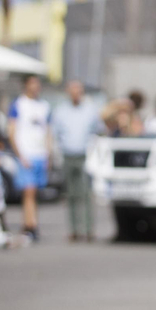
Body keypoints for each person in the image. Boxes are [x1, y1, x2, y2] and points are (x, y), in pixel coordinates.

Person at [51, 80, 104, 242]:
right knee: (71, 194)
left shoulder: (90, 110)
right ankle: (74, 229)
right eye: (73, 90)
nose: (76, 93)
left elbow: (99, 130)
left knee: (86, 193)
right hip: (68, 155)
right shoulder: (61, 111)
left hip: (84, 155)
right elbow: (55, 134)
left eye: (78, 90)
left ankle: (88, 230)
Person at [6, 74, 52, 241]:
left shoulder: (44, 106)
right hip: (26, 154)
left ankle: (32, 223)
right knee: (29, 191)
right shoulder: (18, 105)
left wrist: (48, 154)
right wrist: (20, 155)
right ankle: (30, 226)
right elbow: (11, 132)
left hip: (40, 154)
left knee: (35, 192)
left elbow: (48, 132)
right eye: (32, 83)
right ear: (26, 85)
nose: (36, 86)